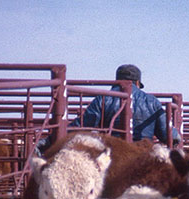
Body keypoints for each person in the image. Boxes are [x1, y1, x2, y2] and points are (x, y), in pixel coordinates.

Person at [37, 64, 180, 154]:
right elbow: (171, 136)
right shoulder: (153, 102)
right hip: (142, 155)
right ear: (138, 82)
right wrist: (176, 135)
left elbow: (81, 126)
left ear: (117, 80)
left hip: (113, 156)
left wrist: (49, 141)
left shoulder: (104, 99)